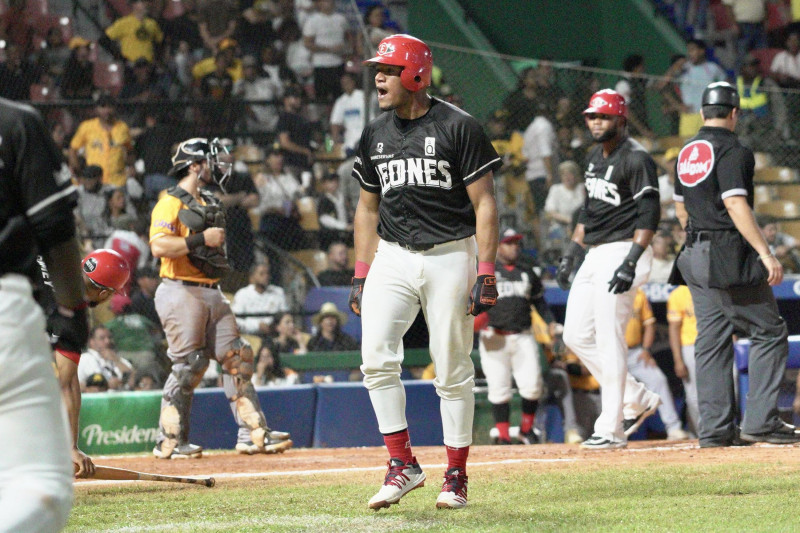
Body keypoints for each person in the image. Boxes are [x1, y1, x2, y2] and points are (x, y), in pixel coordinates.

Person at [350, 34, 501, 510]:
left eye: (389, 69)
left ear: (415, 73)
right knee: (375, 358)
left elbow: (486, 203)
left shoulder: (460, 126)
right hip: (392, 255)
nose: (378, 76)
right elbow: (366, 209)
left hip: (450, 254)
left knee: (453, 367)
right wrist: (360, 271)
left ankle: (455, 474)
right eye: (378, 68)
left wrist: (487, 268)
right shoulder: (374, 131)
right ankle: (402, 464)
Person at [673, 81, 800, 447]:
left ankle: (714, 431)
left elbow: (680, 205)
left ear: (701, 113)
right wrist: (766, 253)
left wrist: (698, 238)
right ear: (734, 113)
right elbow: (735, 204)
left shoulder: (686, 150)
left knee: (711, 339)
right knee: (770, 330)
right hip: (725, 252)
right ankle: (760, 421)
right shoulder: (734, 149)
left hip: (693, 253)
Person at [149, 137, 292, 458]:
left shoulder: (208, 200)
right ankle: (169, 441)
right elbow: (159, 247)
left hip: (211, 290)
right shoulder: (169, 202)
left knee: (237, 357)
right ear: (195, 165)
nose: (218, 165)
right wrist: (202, 238)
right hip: (179, 288)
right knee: (189, 365)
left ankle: (252, 433)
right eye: (211, 160)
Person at [0, 97, 90, 530]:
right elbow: (56, 231)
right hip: (5, 303)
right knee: (39, 488)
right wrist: (73, 307)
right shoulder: (15, 122)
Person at [556, 89, 662, 449]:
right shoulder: (592, 157)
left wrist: (632, 260)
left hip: (625, 249)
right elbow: (590, 211)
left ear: (621, 119)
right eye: (591, 116)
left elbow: (650, 214)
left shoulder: (637, 158)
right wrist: (573, 249)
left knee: (608, 336)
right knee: (574, 335)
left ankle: (612, 427)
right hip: (596, 251)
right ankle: (637, 397)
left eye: (603, 116)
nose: (596, 122)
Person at [38, 248, 131, 479]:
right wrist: (70, 448)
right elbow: (67, 383)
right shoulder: (74, 321)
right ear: (102, 293)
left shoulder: (46, 257)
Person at [475, 227, 556, 445]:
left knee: (532, 386)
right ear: (498, 245)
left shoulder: (527, 270)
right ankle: (502, 436)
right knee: (498, 388)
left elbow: (539, 301)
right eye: (509, 243)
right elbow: (471, 303)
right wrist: (474, 319)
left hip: (522, 335)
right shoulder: (485, 271)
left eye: (516, 243)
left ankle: (525, 431)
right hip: (493, 336)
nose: (514, 247)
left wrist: (550, 323)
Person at [625, 289, 691, 440]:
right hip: (612, 353)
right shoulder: (605, 294)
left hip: (635, 352)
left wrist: (646, 349)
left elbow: (649, 324)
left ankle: (673, 428)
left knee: (658, 379)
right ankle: (609, 431)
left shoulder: (638, 294)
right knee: (609, 390)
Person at [68, 94, 134, 188]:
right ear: (96, 109)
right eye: (103, 106)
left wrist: (131, 167)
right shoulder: (87, 127)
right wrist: (79, 174)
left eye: (110, 106)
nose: (107, 110)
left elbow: (130, 150)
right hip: (94, 182)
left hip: (117, 182)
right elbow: (72, 149)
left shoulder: (122, 127)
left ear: (114, 108)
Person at [667, 284, 700, 436]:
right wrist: (678, 360)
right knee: (693, 395)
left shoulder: (712, 286)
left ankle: (726, 429)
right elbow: (674, 328)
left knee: (727, 388)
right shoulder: (679, 293)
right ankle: (700, 433)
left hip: (716, 343)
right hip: (690, 345)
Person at [231, 261, 290, 336]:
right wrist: (257, 326)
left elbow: (285, 316)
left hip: (274, 335)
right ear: (252, 277)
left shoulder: (278, 292)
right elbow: (234, 321)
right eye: (261, 274)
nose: (266, 276)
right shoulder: (242, 294)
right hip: (250, 337)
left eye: (267, 273)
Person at [77, 325, 134, 391]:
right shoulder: (85, 358)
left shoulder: (118, 359)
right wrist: (107, 386)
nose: (107, 341)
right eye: (102, 338)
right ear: (91, 342)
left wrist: (116, 360)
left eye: (109, 338)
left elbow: (133, 380)